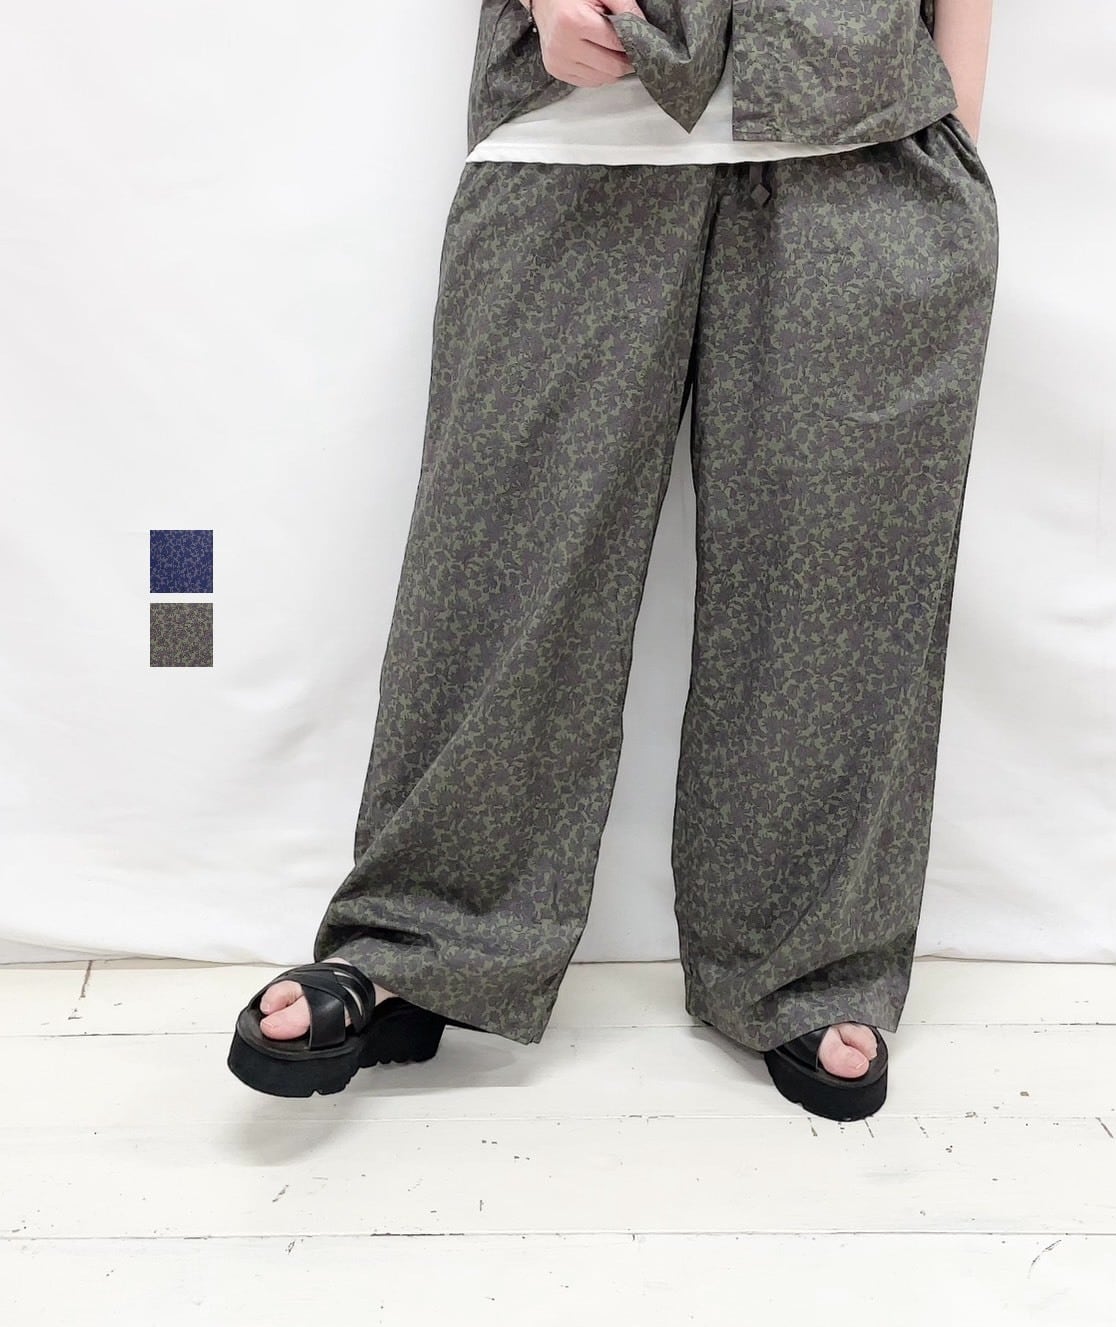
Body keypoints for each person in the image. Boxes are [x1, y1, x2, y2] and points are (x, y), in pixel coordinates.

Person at [228, 0, 998, 1121]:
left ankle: (806, 965)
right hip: (573, 122)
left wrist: (959, 118)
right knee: (499, 568)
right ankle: (415, 940)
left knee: (834, 597)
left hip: (867, 137)